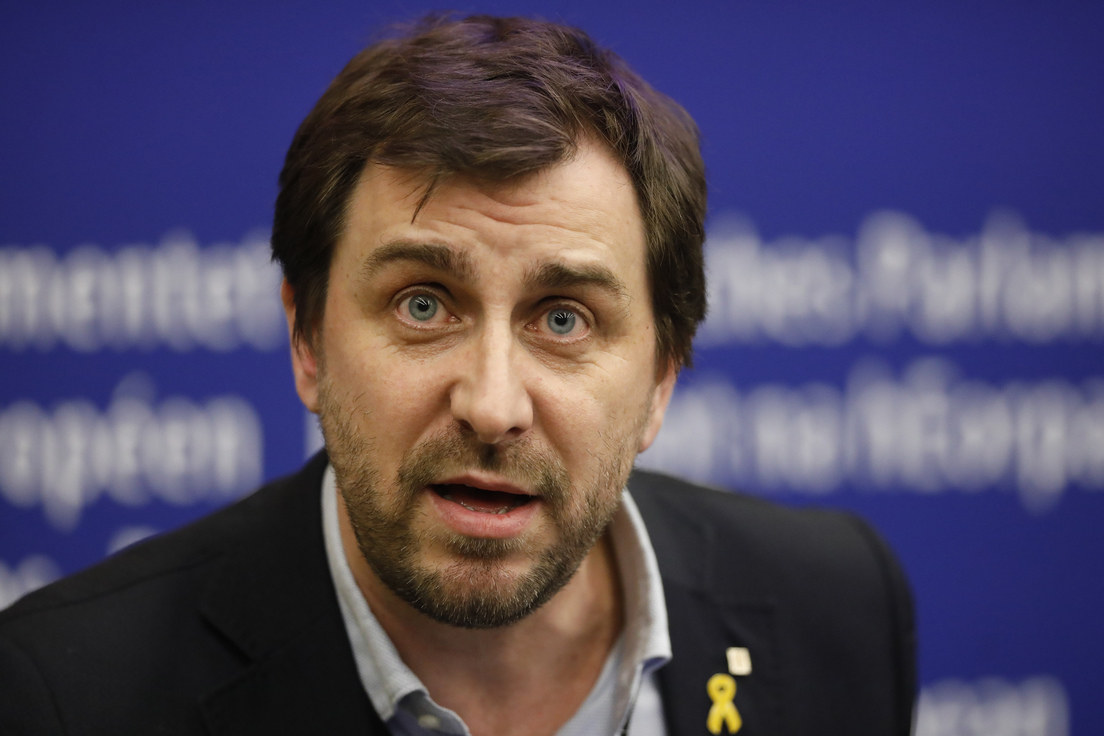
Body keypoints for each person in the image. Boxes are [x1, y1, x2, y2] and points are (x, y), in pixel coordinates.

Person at [0, 14, 915, 736]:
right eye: (423, 305)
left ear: (661, 381)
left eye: (564, 319)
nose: (491, 405)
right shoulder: (65, 696)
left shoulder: (837, 609)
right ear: (308, 340)